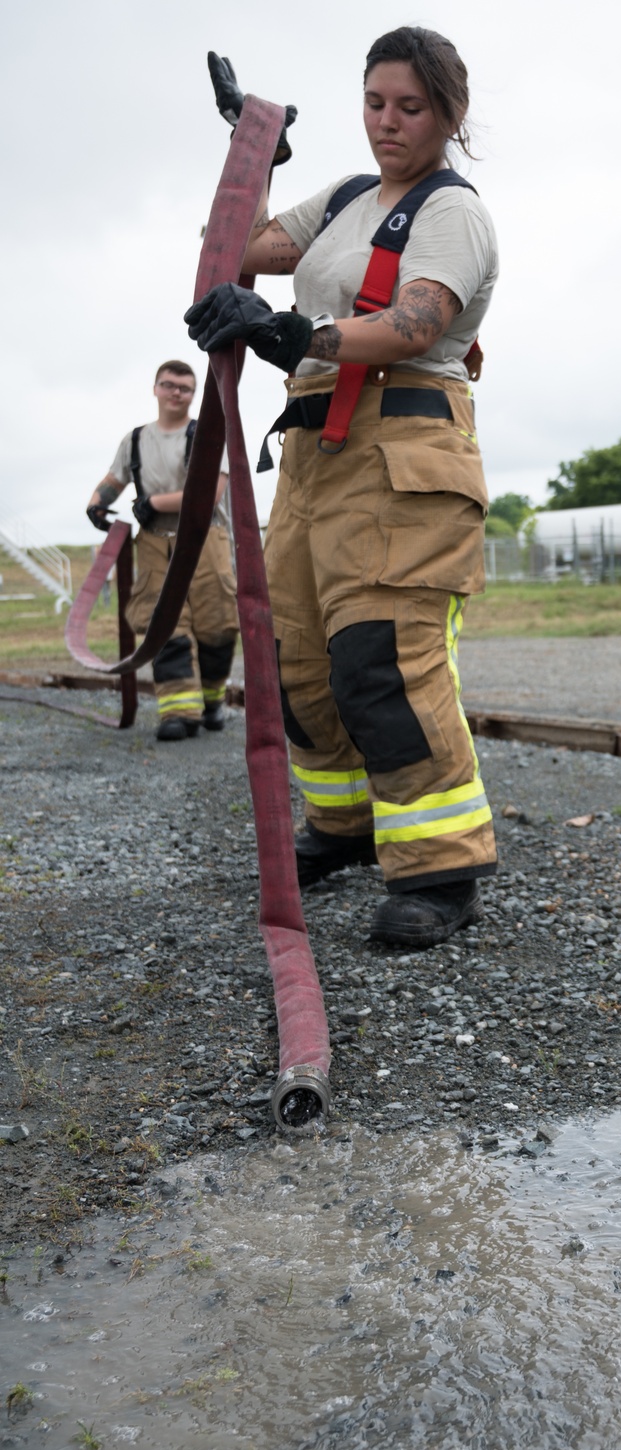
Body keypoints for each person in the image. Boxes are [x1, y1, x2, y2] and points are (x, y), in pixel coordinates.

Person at [185, 27, 499, 948]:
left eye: (410, 107)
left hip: (405, 446)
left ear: (448, 112)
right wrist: (256, 155)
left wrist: (290, 336)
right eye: (375, 103)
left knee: (383, 657)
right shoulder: (350, 198)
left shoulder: (455, 214)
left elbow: (412, 324)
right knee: (295, 660)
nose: (388, 124)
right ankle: (345, 826)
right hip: (318, 450)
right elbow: (239, 248)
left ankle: (442, 869)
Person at [86, 360, 239, 741]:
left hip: (205, 540)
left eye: (184, 388)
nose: (176, 393)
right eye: (169, 385)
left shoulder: (209, 435)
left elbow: (209, 495)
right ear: (155, 389)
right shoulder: (135, 440)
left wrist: (153, 502)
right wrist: (97, 503)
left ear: (193, 395)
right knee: (165, 627)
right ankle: (178, 713)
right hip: (155, 543)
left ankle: (212, 702)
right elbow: (115, 478)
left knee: (216, 626)